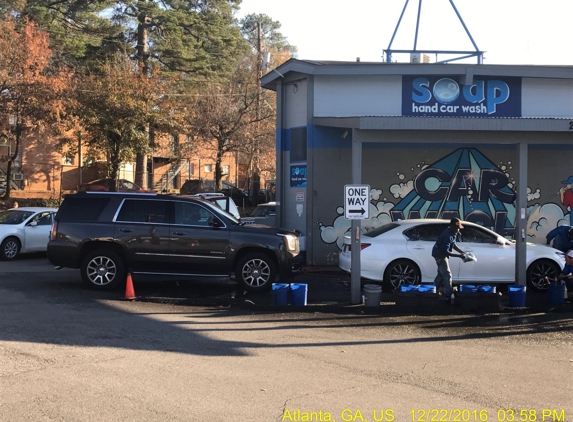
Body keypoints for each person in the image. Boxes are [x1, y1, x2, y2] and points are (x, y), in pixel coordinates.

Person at [432, 218, 467, 303]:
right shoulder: (448, 235)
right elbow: (445, 252)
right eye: (457, 228)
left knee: (441, 274)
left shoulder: (452, 232)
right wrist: (460, 256)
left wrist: (463, 252)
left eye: (459, 227)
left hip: (441, 254)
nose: (458, 229)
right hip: (440, 255)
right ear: (451, 226)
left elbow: (453, 244)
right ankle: (448, 296)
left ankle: (432, 290)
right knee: (447, 275)